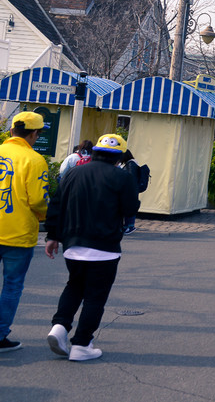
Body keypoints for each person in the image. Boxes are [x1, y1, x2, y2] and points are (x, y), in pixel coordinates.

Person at [43, 133, 139, 361]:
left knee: (74, 286)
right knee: (95, 296)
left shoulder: (74, 173)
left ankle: (59, 327)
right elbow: (130, 209)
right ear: (119, 156)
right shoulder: (122, 177)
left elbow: (57, 205)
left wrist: (52, 236)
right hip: (104, 247)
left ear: (96, 151)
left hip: (72, 244)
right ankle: (82, 344)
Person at [0, 112, 49, 352]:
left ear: (11, 131)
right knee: (11, 285)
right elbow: (39, 200)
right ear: (33, 134)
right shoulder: (34, 160)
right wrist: (45, 217)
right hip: (18, 234)